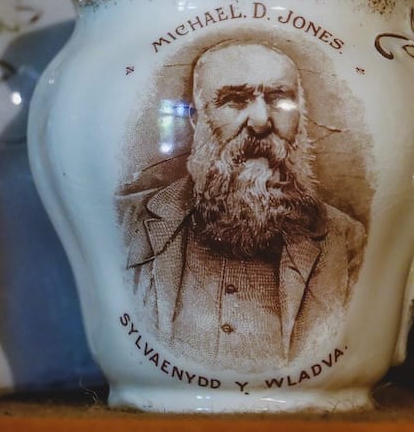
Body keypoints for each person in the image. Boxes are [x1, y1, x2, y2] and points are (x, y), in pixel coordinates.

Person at [117, 39, 366, 372]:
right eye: (235, 100)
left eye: (279, 99)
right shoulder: (124, 224)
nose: (261, 121)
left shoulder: (347, 240)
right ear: (196, 118)